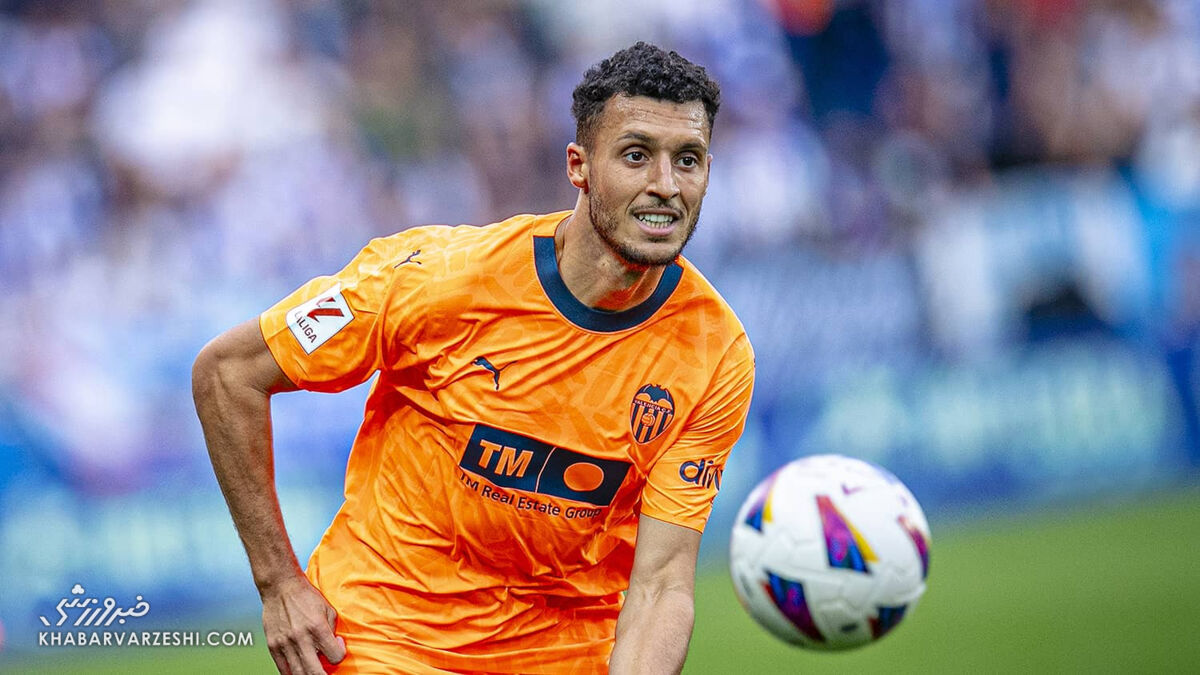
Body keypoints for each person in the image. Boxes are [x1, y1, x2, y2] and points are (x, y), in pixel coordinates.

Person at [192, 41, 754, 674]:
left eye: (688, 160)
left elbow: (661, 587)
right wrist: (278, 585)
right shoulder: (430, 278)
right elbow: (228, 374)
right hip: (386, 636)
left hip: (562, 653)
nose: (665, 186)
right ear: (579, 166)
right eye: (635, 155)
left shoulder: (715, 352)